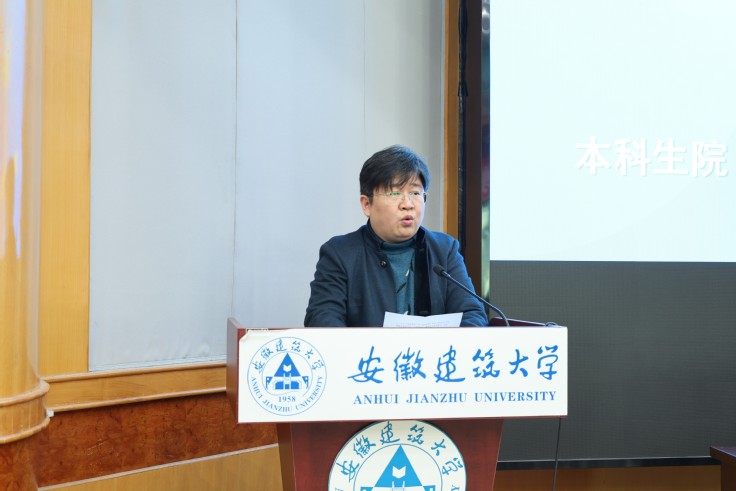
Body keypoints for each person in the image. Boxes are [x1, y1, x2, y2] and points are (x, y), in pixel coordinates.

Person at [304, 144, 488, 327]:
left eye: (415, 193)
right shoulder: (340, 254)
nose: (408, 204)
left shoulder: (444, 249)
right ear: (367, 204)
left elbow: (473, 315)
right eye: (394, 193)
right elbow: (323, 320)